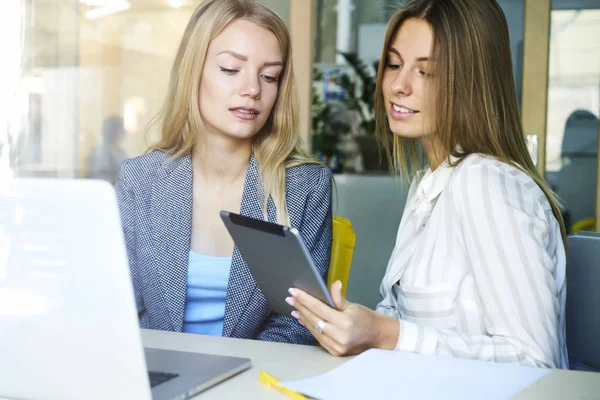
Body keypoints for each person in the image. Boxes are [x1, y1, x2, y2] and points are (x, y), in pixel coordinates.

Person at [287, 0, 568, 368]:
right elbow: (410, 332)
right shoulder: (430, 184)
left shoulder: (486, 183)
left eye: (427, 73)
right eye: (393, 64)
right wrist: (358, 325)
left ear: (472, 83)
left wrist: (385, 333)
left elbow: (535, 362)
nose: (398, 86)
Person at [115, 0, 332, 344]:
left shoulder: (305, 185)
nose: (252, 90)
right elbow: (121, 308)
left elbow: (297, 323)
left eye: (269, 76)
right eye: (231, 69)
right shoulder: (139, 181)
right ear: (194, 72)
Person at [86, 115, 128, 184]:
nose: (125, 132)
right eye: (122, 129)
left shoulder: (121, 153)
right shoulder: (98, 153)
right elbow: (98, 179)